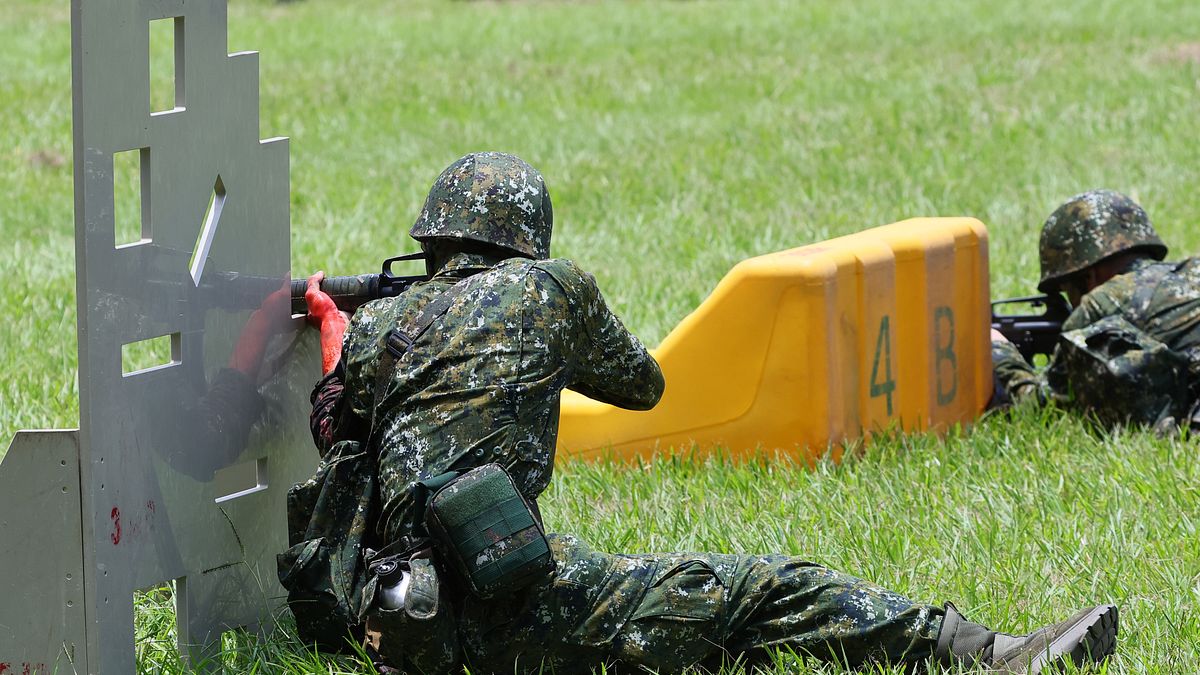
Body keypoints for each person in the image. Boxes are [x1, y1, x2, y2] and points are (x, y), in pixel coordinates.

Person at [283, 152, 1119, 674]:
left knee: (710, 626)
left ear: (431, 240)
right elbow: (643, 385)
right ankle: (991, 654)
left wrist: (338, 328)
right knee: (776, 587)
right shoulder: (548, 287)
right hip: (510, 610)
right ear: (526, 237)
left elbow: (335, 426)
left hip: (398, 620)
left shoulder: (379, 328)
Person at [992, 189, 1200, 429]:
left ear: (1088, 277)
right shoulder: (1193, 271)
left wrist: (1001, 354)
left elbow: (1038, 411)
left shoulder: (1102, 303)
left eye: (1067, 290)